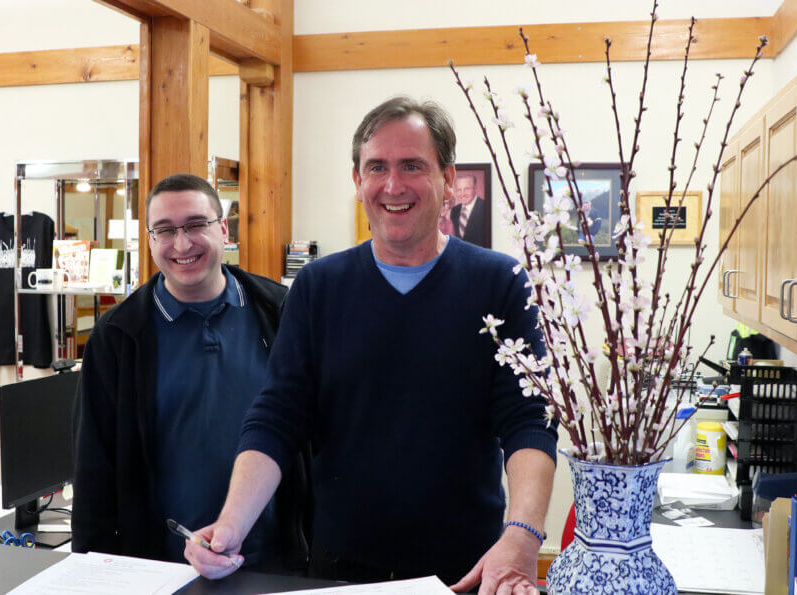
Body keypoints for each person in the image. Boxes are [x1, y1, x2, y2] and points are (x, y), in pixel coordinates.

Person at [185, 97, 558, 594]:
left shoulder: (499, 283)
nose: (393, 185)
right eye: (376, 167)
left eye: (412, 166)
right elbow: (277, 417)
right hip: (341, 566)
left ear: (448, 179)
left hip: (468, 570)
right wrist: (231, 525)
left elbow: (529, 419)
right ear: (357, 180)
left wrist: (525, 533)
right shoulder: (318, 288)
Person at [71, 173, 309, 571]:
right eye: (164, 231)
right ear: (149, 241)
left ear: (223, 228)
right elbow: (93, 469)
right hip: (163, 568)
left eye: (196, 225)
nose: (182, 244)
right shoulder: (118, 337)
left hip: (276, 562)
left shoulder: (279, 313)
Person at [449, 173, 489, 248]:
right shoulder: (454, 211)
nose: (462, 194)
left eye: (467, 189)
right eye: (459, 190)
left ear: (475, 188)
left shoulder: (485, 208)